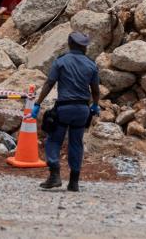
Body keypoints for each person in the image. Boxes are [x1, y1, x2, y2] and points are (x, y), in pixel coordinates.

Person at [31, 32, 101, 192]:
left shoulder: (61, 61)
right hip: (83, 110)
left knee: (54, 140)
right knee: (76, 143)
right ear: (84, 47)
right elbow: (95, 90)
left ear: (69, 44)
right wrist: (95, 105)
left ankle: (54, 174)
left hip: (64, 108)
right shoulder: (91, 65)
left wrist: (37, 104)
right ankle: (74, 182)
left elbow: (49, 83)